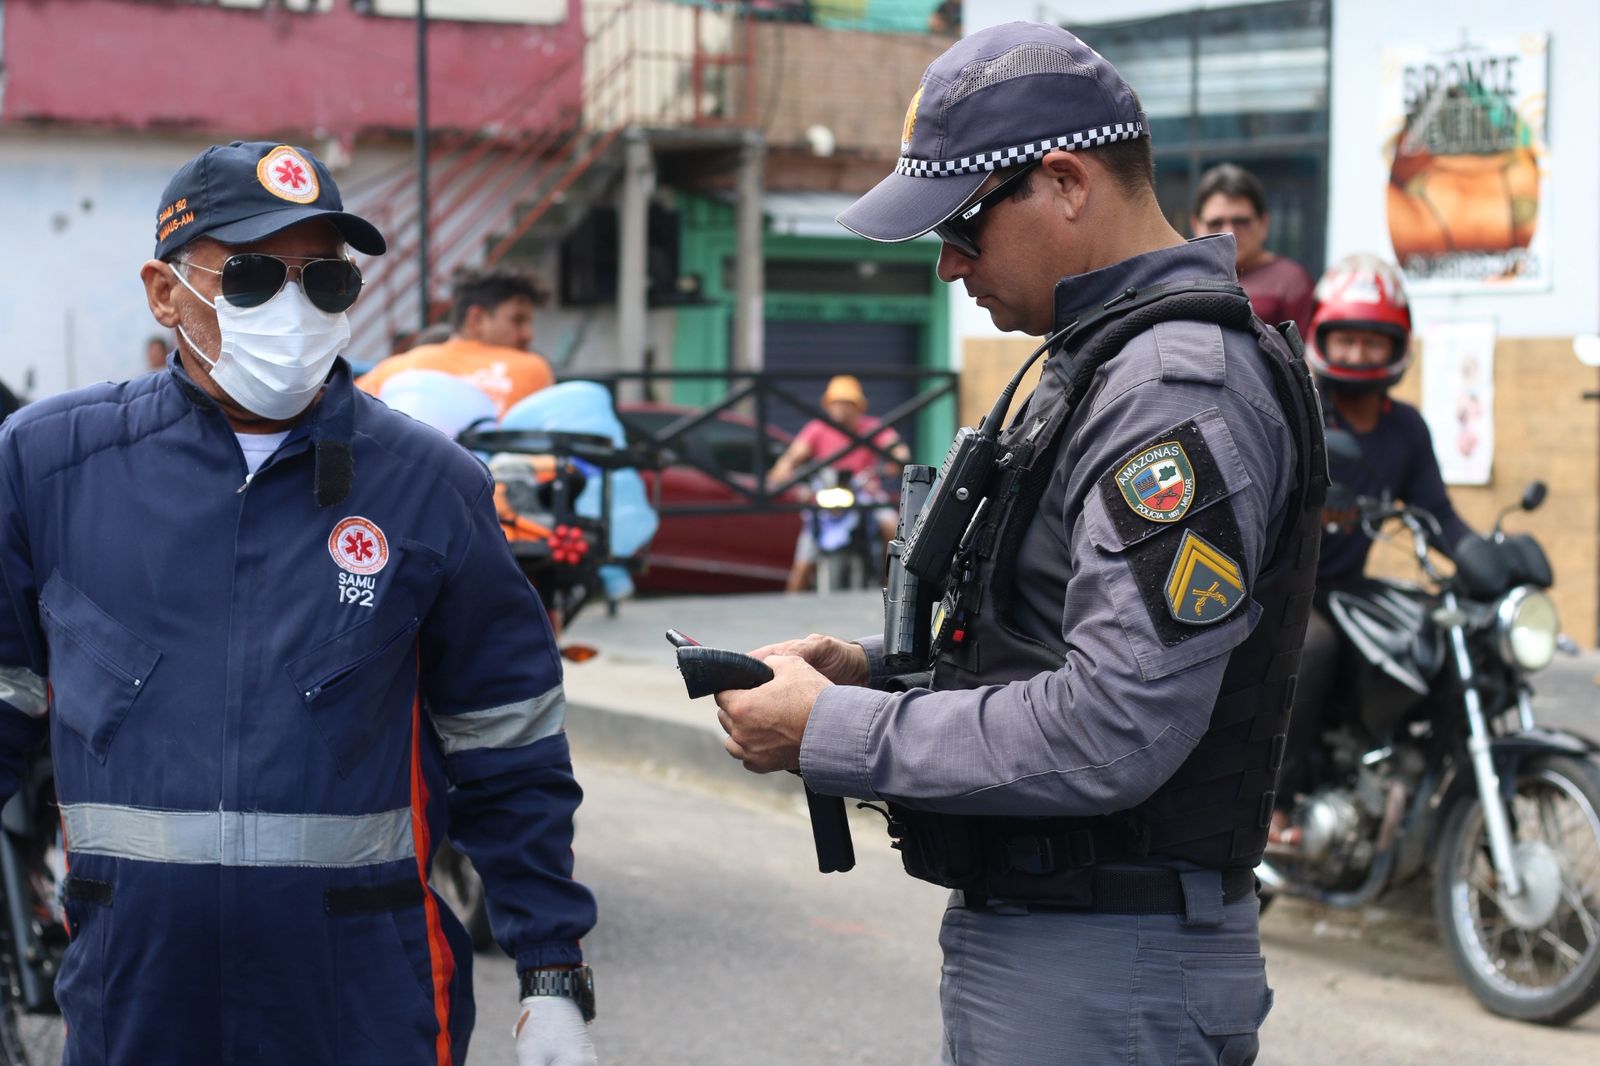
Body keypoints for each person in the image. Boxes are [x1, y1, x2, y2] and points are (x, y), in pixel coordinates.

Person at [717, 22, 1325, 1065]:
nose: (948, 265)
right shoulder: (1103, 360)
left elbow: (1114, 724)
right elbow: (1055, 634)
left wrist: (837, 728)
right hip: (1077, 947)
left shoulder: (1168, 392)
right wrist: (871, 670)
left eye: (963, 224)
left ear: (1066, 182)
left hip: (1105, 962)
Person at [0, 141, 598, 1066]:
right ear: (165, 294)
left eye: (325, 279)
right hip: (136, 1000)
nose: (295, 308)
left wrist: (551, 972)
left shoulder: (431, 487)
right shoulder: (48, 468)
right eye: (249, 277)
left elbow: (507, 742)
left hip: (365, 1001)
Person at [1271, 253, 1470, 848]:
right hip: (1284, 585)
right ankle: (1272, 805)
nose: (1358, 353)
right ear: (1324, 338)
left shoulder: (1405, 428)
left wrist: (1486, 556)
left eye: (1372, 341)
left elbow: (1438, 516)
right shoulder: (1300, 407)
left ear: (1396, 345)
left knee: (1435, 633)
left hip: (1346, 588)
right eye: (1347, 339)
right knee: (1315, 647)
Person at [765, 374, 910, 592]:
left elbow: (897, 448)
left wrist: (894, 461)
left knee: (893, 528)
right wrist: (783, 472)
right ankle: (791, 601)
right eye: (836, 403)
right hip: (827, 495)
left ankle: (895, 587)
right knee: (804, 557)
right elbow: (792, 457)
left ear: (858, 406)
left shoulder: (872, 426)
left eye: (847, 403)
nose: (841, 409)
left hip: (863, 494)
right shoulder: (817, 429)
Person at [358, 267, 556, 418]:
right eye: (517, 320)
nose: (528, 335)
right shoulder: (533, 368)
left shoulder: (390, 369)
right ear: (477, 319)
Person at [1191, 163, 1314, 339]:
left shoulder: (1291, 282)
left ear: (1263, 223)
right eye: (1215, 223)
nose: (1229, 233)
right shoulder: (1184, 280)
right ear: (1196, 225)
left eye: (1241, 222)